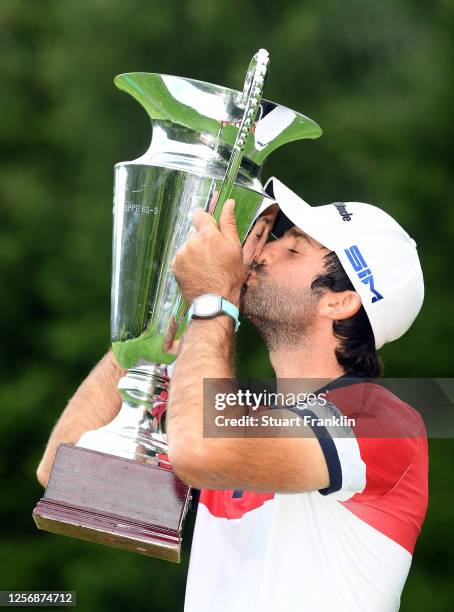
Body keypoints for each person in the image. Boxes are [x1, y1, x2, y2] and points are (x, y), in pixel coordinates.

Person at [37, 178, 428, 612]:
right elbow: (65, 473)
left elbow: (202, 452)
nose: (260, 252)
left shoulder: (381, 420)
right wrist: (159, 315)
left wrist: (212, 297)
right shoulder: (235, 417)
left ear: (339, 303)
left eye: (293, 249)